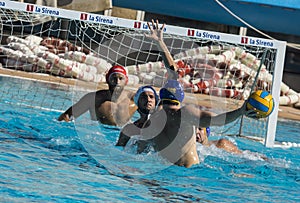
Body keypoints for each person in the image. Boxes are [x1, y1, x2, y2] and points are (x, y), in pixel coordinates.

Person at [58, 20, 175, 126]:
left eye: (121, 78)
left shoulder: (135, 98)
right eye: (114, 78)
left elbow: (173, 75)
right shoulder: (94, 99)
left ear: (127, 81)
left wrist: (160, 44)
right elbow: (66, 116)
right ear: (107, 79)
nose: (117, 82)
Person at [138, 79, 257, 168]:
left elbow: (139, 153)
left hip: (165, 174)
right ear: (181, 97)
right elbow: (216, 120)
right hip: (190, 175)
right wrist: (240, 111)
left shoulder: (150, 123)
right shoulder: (185, 113)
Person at [116, 85, 159, 151]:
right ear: (137, 102)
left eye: (151, 97)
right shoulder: (128, 130)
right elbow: (117, 152)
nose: (148, 99)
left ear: (156, 102)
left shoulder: (161, 127)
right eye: (144, 97)